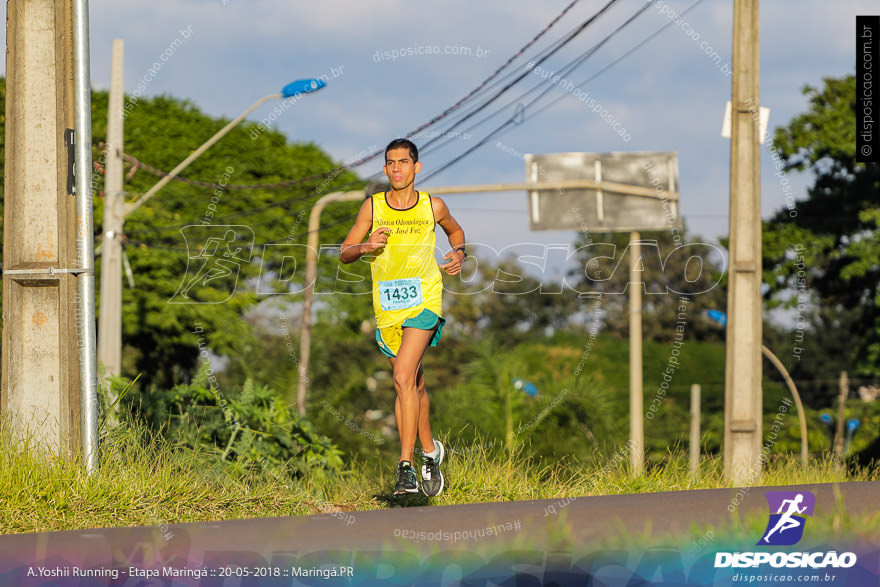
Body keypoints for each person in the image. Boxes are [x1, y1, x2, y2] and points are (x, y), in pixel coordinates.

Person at [340, 138, 466, 496]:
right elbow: (345, 252)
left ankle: (405, 467)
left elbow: (455, 232)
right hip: (388, 306)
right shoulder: (372, 207)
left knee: (400, 377)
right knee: (414, 383)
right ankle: (431, 452)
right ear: (385, 169)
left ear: (416, 168)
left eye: (403, 162)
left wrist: (460, 253)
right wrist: (366, 246)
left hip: (425, 300)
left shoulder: (433, 206)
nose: (397, 168)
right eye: (391, 163)